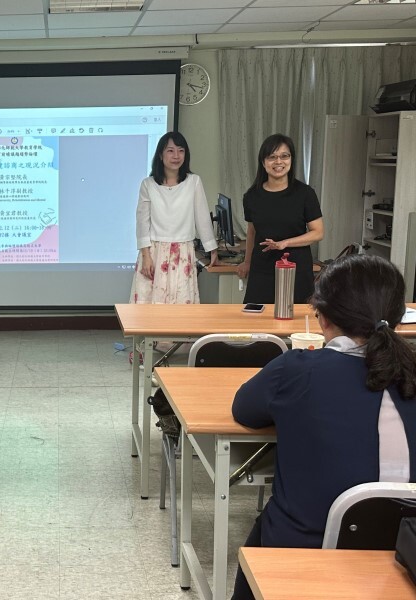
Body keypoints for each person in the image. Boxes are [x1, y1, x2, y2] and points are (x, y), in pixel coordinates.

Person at [230, 253, 416, 600]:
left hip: (303, 553)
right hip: (405, 555)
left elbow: (244, 410)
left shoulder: (297, 370)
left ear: (324, 316)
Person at [130, 131, 219, 307]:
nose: (176, 156)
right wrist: (146, 256)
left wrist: (212, 250)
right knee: (149, 307)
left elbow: (202, 217)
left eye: (181, 150)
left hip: (183, 251)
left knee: (180, 307)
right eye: (170, 151)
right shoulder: (148, 184)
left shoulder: (193, 181)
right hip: (154, 252)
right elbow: (142, 221)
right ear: (161, 155)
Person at [237, 134, 324, 304]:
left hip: (296, 269)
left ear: (291, 160)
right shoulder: (252, 196)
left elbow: (318, 232)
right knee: (257, 320)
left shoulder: (305, 193)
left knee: (296, 321)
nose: (279, 162)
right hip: (262, 269)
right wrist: (247, 262)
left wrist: (285, 243)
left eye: (285, 156)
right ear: (263, 162)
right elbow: (252, 231)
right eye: (272, 157)